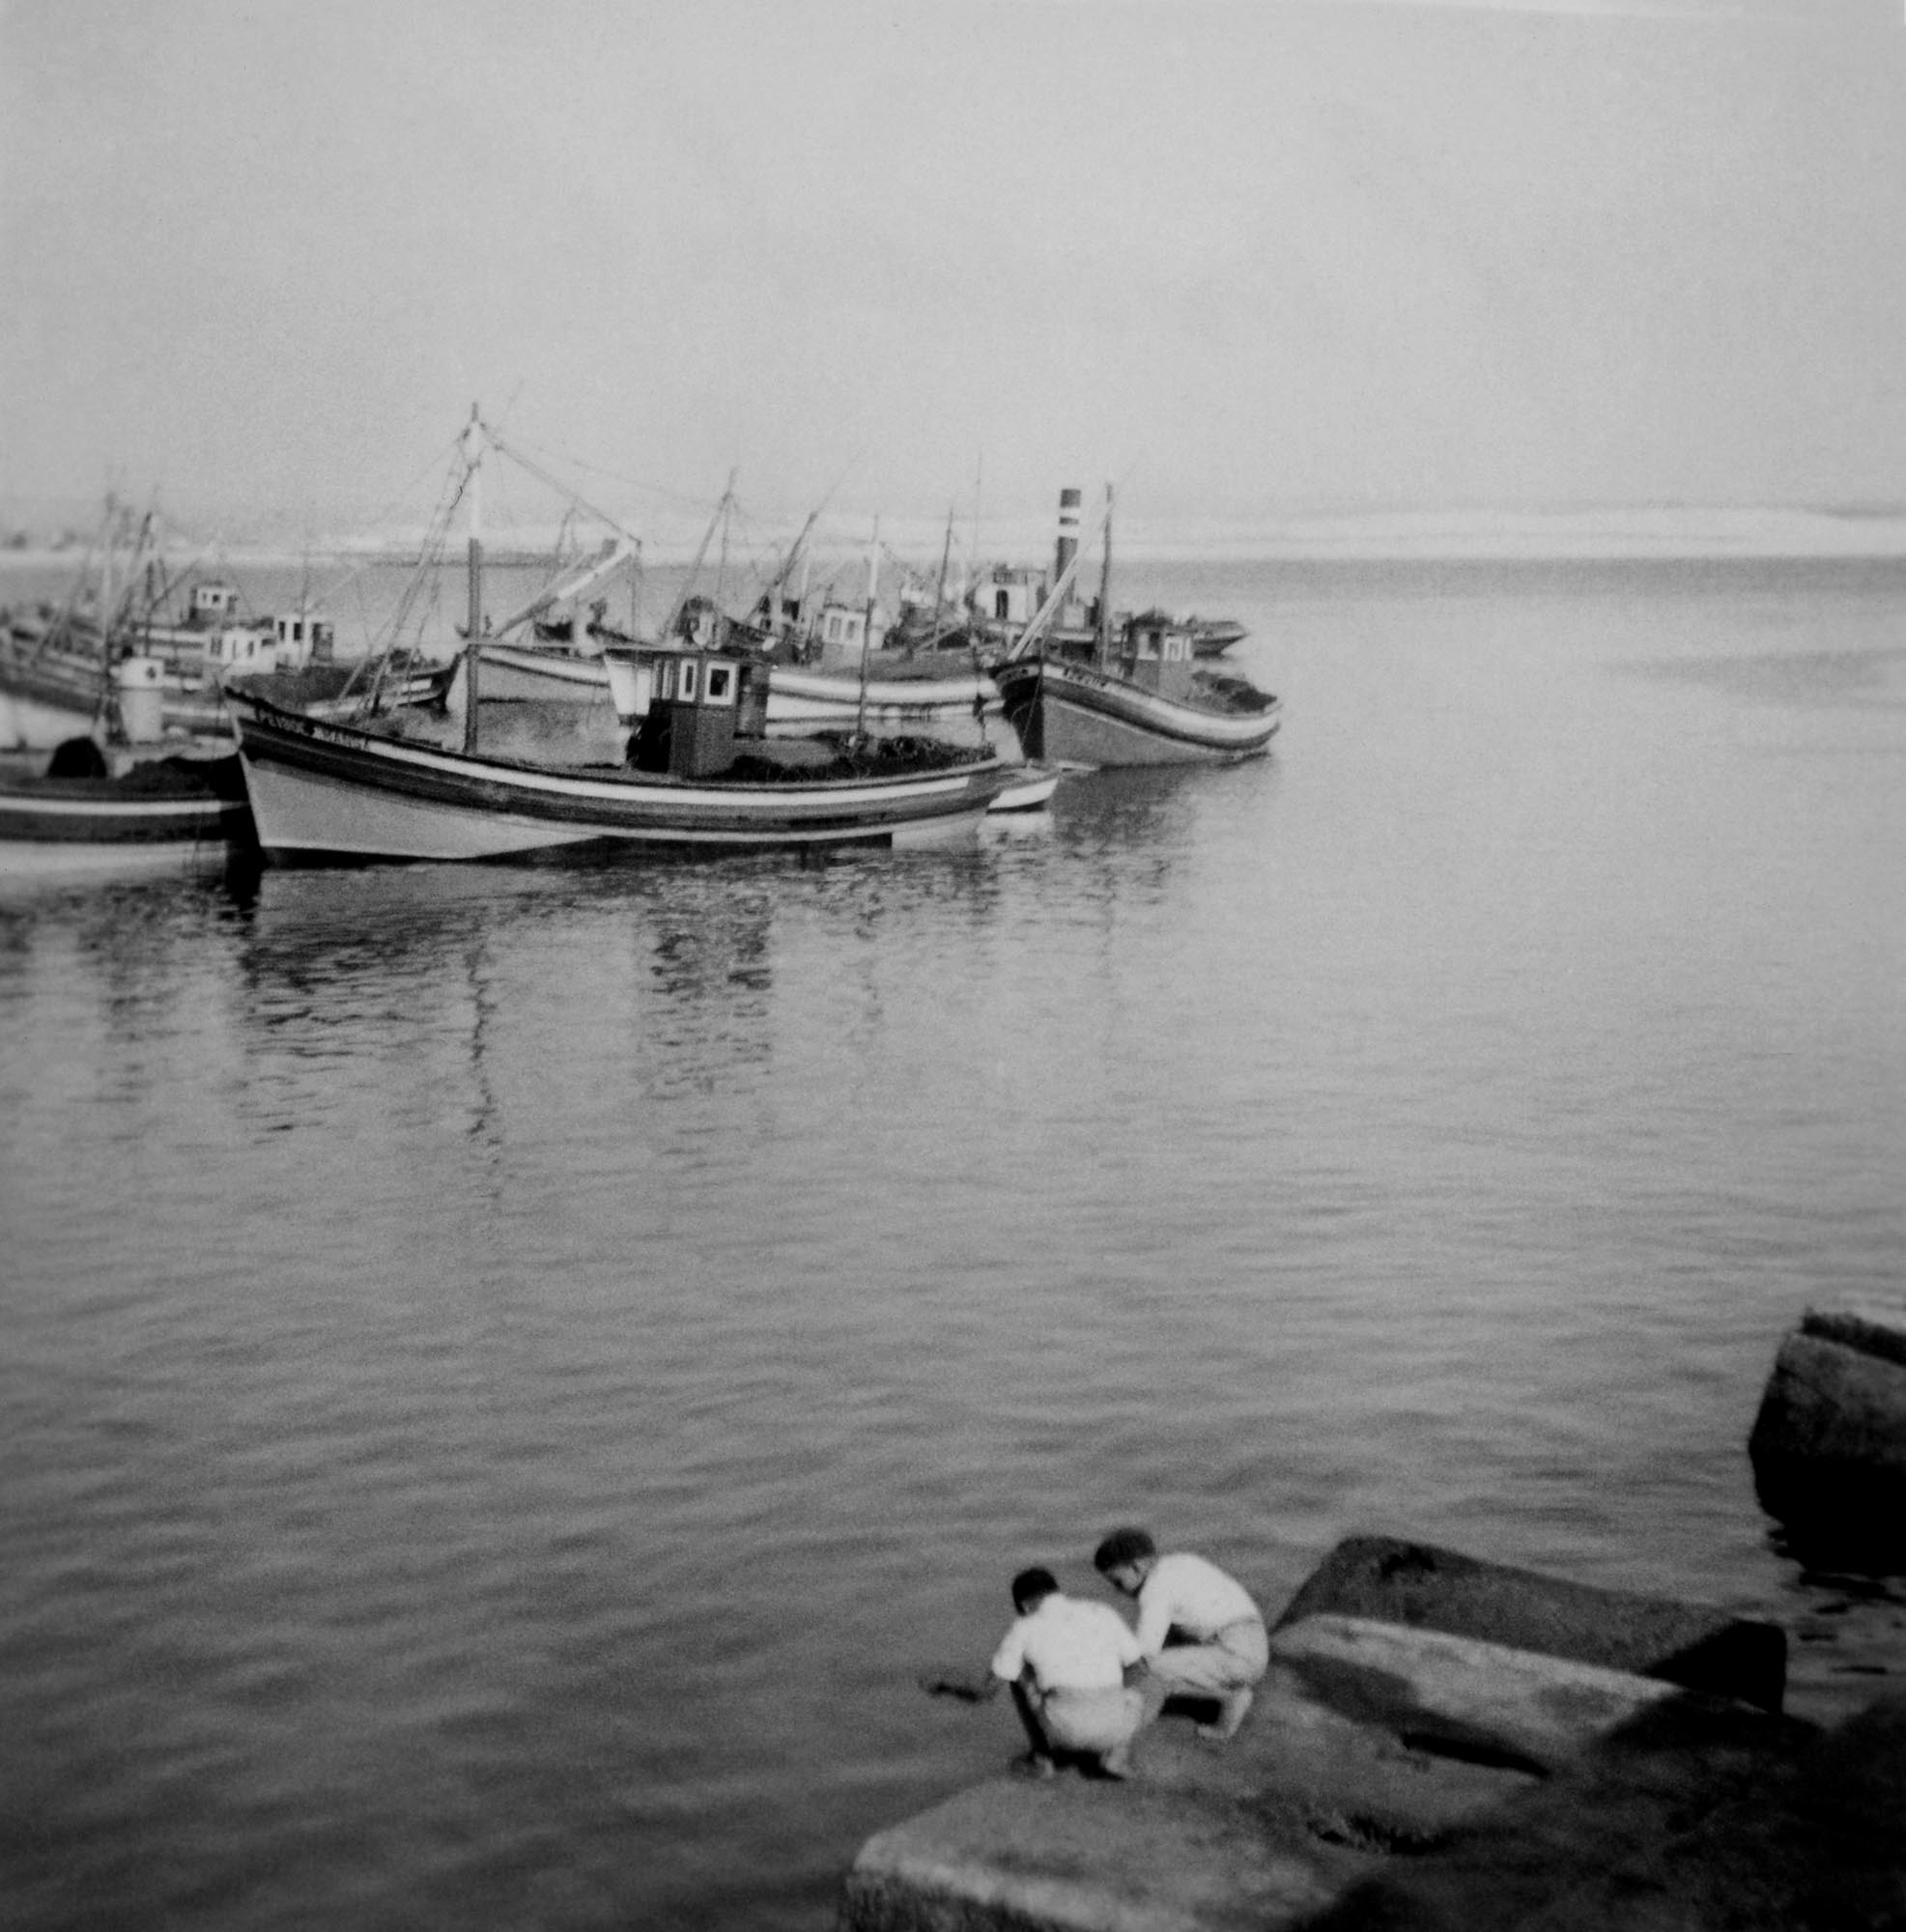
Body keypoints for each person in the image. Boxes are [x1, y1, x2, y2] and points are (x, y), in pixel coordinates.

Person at [921, 1566, 1146, 1779]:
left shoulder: (1024, 1627)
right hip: (1119, 1725)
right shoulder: (1102, 1611)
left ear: (1025, 1606)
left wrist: (945, 1684)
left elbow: (984, 1693)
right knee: (1137, 1680)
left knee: (1015, 1673)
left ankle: (1042, 1760)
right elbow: (1138, 1667)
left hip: (1066, 1730)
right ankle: (1117, 1752)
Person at [1093, 1527, 1267, 1741]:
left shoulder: (1154, 1592)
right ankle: (1223, 1681)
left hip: (1237, 1656)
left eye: (1118, 1582)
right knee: (1170, 1636)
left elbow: (1143, 1658)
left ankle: (1230, 1696)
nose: (1117, 1590)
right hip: (1253, 1641)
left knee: (1149, 1672)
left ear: (1137, 1567)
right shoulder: (1179, 1562)